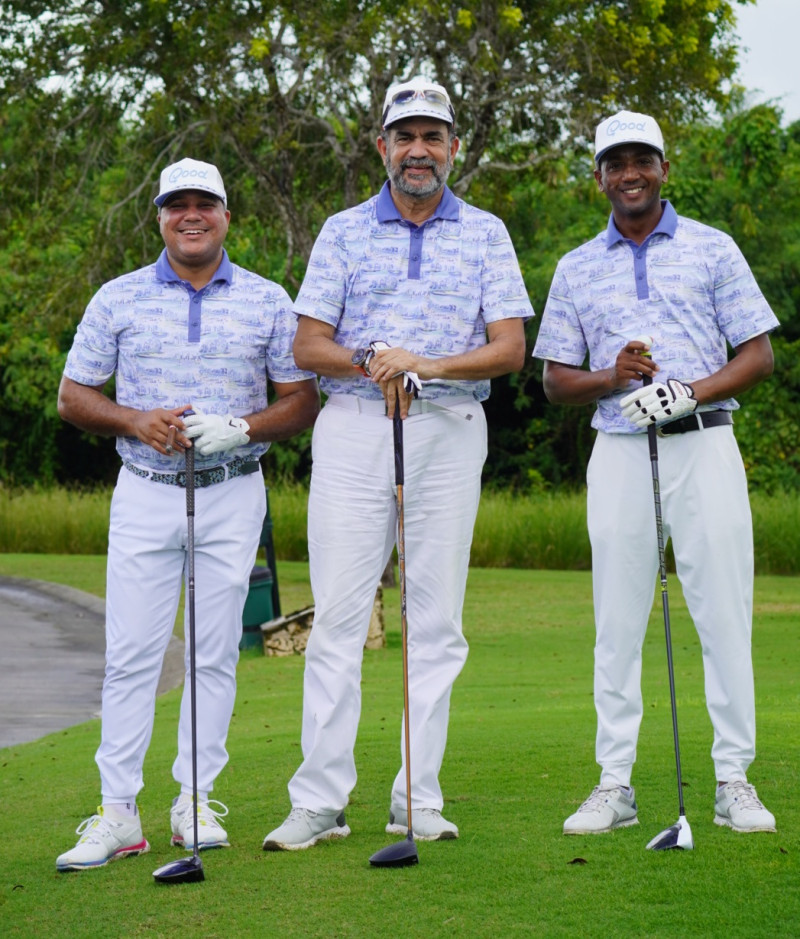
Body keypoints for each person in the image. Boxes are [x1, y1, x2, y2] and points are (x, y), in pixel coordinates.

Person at [262, 76, 532, 850]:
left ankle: (417, 795)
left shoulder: (486, 232)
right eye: (404, 136)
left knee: (436, 620)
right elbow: (307, 344)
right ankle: (319, 799)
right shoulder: (343, 231)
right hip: (353, 428)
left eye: (433, 136)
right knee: (340, 615)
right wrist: (370, 356)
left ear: (453, 148)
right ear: (381, 146)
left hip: (448, 428)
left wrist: (429, 364)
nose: (419, 150)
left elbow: (508, 347)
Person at [55, 157, 319, 871]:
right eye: (177, 205)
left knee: (212, 652)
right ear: (161, 217)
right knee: (133, 652)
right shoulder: (120, 296)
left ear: (227, 216)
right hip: (145, 487)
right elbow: (73, 395)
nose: (191, 215)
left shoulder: (267, 299)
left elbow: (301, 398)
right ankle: (117, 812)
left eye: (205, 203)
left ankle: (194, 800)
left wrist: (246, 426)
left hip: (233, 488)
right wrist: (136, 419)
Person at [533, 111, 779, 836]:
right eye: (616, 162)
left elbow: (758, 355)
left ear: (663, 168)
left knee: (723, 614)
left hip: (704, 442)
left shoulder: (713, 247)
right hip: (618, 452)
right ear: (600, 175)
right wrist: (612, 377)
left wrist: (691, 389)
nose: (629, 173)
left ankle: (734, 778)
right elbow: (553, 381)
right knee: (616, 620)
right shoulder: (577, 264)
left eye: (642, 159)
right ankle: (615, 782)